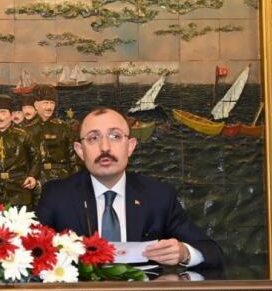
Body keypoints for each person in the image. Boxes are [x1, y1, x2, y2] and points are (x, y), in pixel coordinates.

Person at [37, 106, 223, 268]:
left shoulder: (159, 196)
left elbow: (212, 252)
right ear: (80, 150)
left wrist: (184, 253)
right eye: (93, 138)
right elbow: (30, 255)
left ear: (130, 147)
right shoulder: (57, 196)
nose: (105, 147)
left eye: (115, 136)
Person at [0, 94, 39, 208]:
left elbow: (35, 158)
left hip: (18, 189)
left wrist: (32, 176)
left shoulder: (23, 136)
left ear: (11, 115)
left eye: (3, 112)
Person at [28, 84, 79, 185]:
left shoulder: (64, 127)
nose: (49, 107)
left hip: (61, 179)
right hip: (36, 181)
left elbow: (73, 157)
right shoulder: (27, 130)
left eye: (52, 103)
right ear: (36, 105)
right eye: (45, 103)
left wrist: (77, 181)